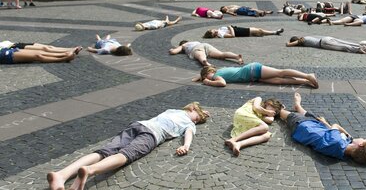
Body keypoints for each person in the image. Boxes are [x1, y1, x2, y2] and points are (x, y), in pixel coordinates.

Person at [46, 102, 209, 190]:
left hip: (138, 124)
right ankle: (90, 170)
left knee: (103, 151)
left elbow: (192, 112)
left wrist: (199, 112)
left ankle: (61, 174)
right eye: (198, 116)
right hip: (152, 135)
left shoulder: (172, 110)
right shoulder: (188, 122)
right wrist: (186, 146)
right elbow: (188, 133)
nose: (197, 119)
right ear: (193, 110)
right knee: (126, 155)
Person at [278, 93, 366, 165]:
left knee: (283, 113)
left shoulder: (338, 141)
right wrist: (325, 123)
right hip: (315, 129)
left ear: (360, 145)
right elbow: (330, 134)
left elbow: (336, 126)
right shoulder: (343, 153)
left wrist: (348, 135)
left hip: (303, 126)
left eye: (363, 139)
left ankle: (276, 111)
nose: (361, 138)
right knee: (319, 119)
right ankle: (299, 107)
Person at [193, 63, 318, 88]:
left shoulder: (216, 76)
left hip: (253, 70)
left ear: (209, 73)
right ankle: (305, 81)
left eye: (206, 77)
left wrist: (208, 82)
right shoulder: (220, 70)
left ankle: (307, 76)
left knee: (281, 73)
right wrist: (201, 78)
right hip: (253, 74)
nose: (206, 80)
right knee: (279, 80)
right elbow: (208, 74)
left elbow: (222, 83)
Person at [169, 40, 242, 66]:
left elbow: (173, 52)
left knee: (201, 55)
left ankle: (206, 62)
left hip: (196, 48)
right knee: (221, 54)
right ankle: (236, 56)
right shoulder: (194, 41)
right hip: (205, 44)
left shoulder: (184, 45)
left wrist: (172, 50)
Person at [0, 44, 79, 64]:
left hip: (6, 49)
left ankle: (65, 54)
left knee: (40, 52)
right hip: (4, 56)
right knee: (38, 56)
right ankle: (64, 58)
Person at [287, 36, 366, 54]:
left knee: (341, 47)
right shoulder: (305, 37)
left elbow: (289, 45)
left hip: (323, 43)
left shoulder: (302, 40)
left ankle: (358, 50)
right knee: (344, 42)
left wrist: (288, 43)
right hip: (325, 38)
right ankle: (361, 46)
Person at [203, 25, 284, 38]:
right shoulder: (221, 34)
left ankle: (274, 32)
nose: (215, 31)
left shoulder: (220, 30)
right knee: (260, 31)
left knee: (259, 31)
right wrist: (230, 28)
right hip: (241, 32)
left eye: (213, 30)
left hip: (240, 29)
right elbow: (232, 36)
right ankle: (275, 32)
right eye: (214, 33)